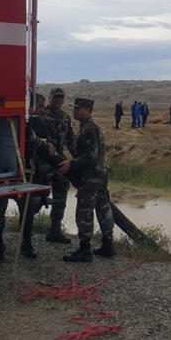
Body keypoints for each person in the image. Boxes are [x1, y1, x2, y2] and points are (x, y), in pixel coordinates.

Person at [0, 94, 63, 260]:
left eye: (44, 107)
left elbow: (50, 148)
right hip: (4, 174)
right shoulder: (16, 120)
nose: (42, 110)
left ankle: (27, 244)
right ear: (31, 107)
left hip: (27, 175)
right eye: (40, 106)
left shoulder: (42, 124)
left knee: (28, 212)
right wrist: (43, 145)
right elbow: (31, 140)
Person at [58, 97, 115, 262]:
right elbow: (79, 151)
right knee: (103, 207)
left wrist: (71, 164)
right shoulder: (86, 127)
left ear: (87, 110)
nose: (74, 111)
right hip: (99, 175)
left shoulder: (90, 128)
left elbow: (90, 156)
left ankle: (85, 250)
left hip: (92, 176)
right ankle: (107, 245)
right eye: (74, 108)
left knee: (84, 210)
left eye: (77, 109)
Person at [41, 87, 75, 243]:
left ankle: (55, 230)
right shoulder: (41, 114)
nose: (58, 101)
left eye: (61, 98)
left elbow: (71, 141)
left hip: (59, 160)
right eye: (55, 98)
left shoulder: (65, 117)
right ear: (50, 98)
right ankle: (25, 234)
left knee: (61, 191)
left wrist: (78, 160)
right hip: (42, 161)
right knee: (36, 197)